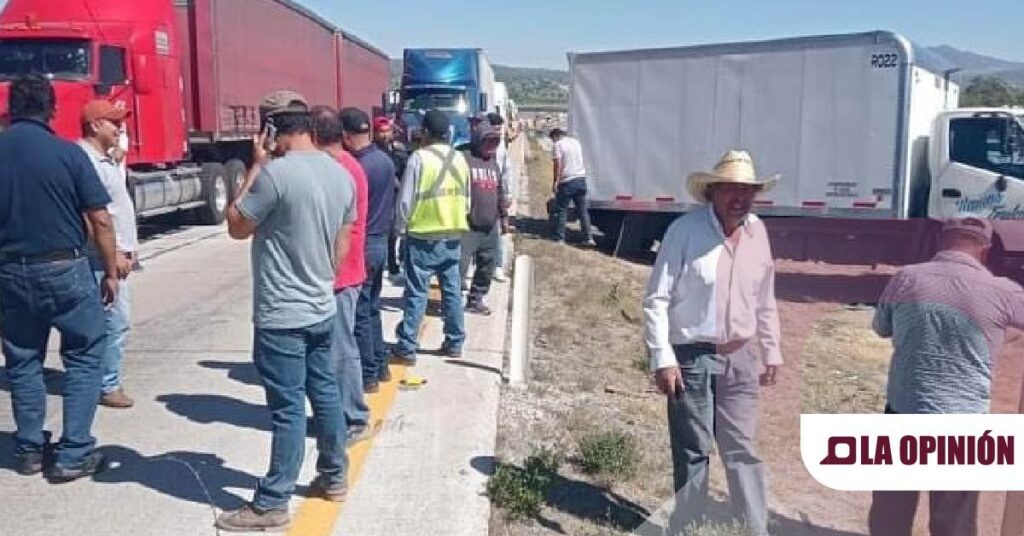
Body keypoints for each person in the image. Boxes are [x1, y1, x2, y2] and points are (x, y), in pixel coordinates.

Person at [217, 91, 356, 532]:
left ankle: (274, 499)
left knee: (287, 409)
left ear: (272, 128)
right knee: (326, 393)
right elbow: (343, 240)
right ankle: (334, 476)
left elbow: (236, 226)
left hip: (282, 313)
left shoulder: (274, 176)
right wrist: (320, 279)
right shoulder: (341, 175)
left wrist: (255, 163)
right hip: (320, 306)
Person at [642, 150, 782, 536]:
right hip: (690, 356)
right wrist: (662, 358)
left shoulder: (758, 232)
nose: (740, 198)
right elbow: (656, 298)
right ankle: (686, 527)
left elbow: (764, 296)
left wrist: (772, 350)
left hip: (740, 356)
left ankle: (756, 529)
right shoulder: (685, 231)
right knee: (693, 449)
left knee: (742, 449)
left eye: (747, 190)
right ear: (713, 192)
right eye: (731, 189)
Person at [868, 217, 1024, 536]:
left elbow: (882, 327)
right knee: (954, 521)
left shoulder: (906, 278)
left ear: (941, 241)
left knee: (891, 513)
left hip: (905, 410)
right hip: (963, 421)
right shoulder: (1004, 292)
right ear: (985, 250)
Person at [0, 76, 119, 481]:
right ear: (51, 110)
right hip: (66, 268)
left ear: (10, 109)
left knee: (23, 359)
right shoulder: (68, 155)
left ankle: (30, 449)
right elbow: (101, 218)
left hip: (11, 271)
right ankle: (73, 453)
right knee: (85, 354)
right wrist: (111, 272)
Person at [391, 110, 472, 365]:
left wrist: (399, 229)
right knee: (452, 292)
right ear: (447, 133)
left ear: (424, 132)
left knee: (417, 293)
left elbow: (405, 200)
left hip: (423, 235)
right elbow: (467, 200)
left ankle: (407, 346)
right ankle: (454, 341)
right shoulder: (460, 159)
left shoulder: (419, 158)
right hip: (452, 235)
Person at [311, 106, 372, 445]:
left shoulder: (339, 169)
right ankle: (335, 414)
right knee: (330, 349)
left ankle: (354, 416)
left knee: (340, 348)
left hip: (341, 272)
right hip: (343, 270)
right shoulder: (348, 166)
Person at [78, 100, 138, 409]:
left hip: (115, 254)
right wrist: (112, 255)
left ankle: (101, 378)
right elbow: (92, 216)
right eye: (113, 122)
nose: (119, 127)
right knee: (114, 320)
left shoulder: (103, 160)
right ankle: (107, 384)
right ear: (94, 126)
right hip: (103, 256)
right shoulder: (86, 162)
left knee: (111, 319)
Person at [348, 112, 398, 393]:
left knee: (361, 312)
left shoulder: (358, 167)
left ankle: (368, 374)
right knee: (373, 307)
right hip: (380, 239)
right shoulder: (384, 161)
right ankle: (380, 365)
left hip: (364, 242)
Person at [459, 122, 508, 316]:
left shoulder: (494, 163)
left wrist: (504, 218)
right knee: (460, 266)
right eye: (488, 141)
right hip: (468, 225)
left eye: (495, 142)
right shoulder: (465, 159)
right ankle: (452, 302)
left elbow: (499, 190)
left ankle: (476, 299)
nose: (491, 146)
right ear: (478, 140)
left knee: (487, 265)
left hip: (490, 225)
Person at [374, 117, 408, 280]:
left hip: (394, 195)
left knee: (393, 232)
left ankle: (393, 264)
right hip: (379, 195)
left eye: (387, 131)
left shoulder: (397, 150)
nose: (385, 135)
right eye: (381, 131)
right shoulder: (373, 151)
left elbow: (404, 172)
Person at [549, 128, 595, 246]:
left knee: (562, 209)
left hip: (567, 181)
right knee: (582, 210)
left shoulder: (558, 145)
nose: (552, 142)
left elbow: (558, 164)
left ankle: (560, 238)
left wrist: (555, 182)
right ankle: (588, 237)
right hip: (580, 179)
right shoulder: (575, 142)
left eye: (552, 139)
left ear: (555, 136)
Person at [486, 112, 515, 282]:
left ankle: (497, 266)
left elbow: (506, 171)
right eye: (495, 129)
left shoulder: (501, 147)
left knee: (498, 232)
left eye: (499, 130)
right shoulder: (477, 144)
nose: (498, 133)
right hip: (481, 192)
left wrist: (508, 194)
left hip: (496, 192)